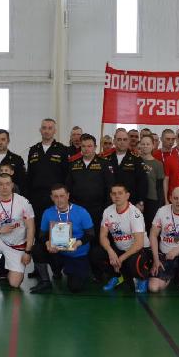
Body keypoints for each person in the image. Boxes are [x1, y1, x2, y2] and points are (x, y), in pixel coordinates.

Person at [31, 183, 94, 294]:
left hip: (76, 253)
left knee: (75, 287)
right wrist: (47, 243)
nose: (59, 200)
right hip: (56, 252)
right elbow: (41, 235)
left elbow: (90, 234)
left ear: (68, 196)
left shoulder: (81, 212)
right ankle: (46, 281)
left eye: (62, 196)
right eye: (56, 196)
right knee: (37, 249)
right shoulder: (48, 212)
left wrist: (77, 243)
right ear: (51, 197)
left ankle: (76, 270)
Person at [65, 134, 112, 272]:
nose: (86, 149)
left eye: (89, 146)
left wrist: (106, 210)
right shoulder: (73, 165)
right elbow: (68, 188)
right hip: (77, 210)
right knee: (76, 236)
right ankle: (74, 266)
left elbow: (110, 188)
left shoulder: (104, 164)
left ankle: (96, 270)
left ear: (95, 147)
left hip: (97, 210)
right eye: (83, 146)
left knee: (96, 239)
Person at [98, 183, 151, 292]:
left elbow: (139, 243)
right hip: (120, 249)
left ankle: (143, 278)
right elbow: (102, 236)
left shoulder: (135, 213)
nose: (117, 196)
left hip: (140, 249)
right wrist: (110, 252)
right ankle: (117, 276)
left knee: (133, 263)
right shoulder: (108, 211)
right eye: (114, 194)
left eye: (120, 193)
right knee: (96, 254)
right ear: (111, 196)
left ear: (127, 195)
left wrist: (120, 259)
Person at [26, 119, 69, 233]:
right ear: (40, 130)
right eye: (44, 128)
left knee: (57, 228)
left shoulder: (63, 150)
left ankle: (57, 245)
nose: (47, 131)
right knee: (38, 226)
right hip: (36, 197)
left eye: (50, 128)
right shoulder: (33, 150)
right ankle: (38, 244)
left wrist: (64, 196)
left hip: (56, 197)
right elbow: (29, 175)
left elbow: (67, 176)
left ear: (55, 131)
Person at [104, 128, 147, 212]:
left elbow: (142, 182)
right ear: (114, 141)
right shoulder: (106, 159)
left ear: (128, 141)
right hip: (109, 202)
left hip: (131, 203)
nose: (122, 142)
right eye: (119, 139)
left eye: (125, 139)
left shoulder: (137, 159)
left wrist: (141, 202)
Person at [138, 134, 165, 229]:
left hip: (152, 199)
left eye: (148, 144)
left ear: (153, 145)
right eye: (143, 144)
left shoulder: (158, 164)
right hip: (137, 199)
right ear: (140, 145)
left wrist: (160, 203)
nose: (145, 146)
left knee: (150, 225)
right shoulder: (135, 161)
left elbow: (160, 186)